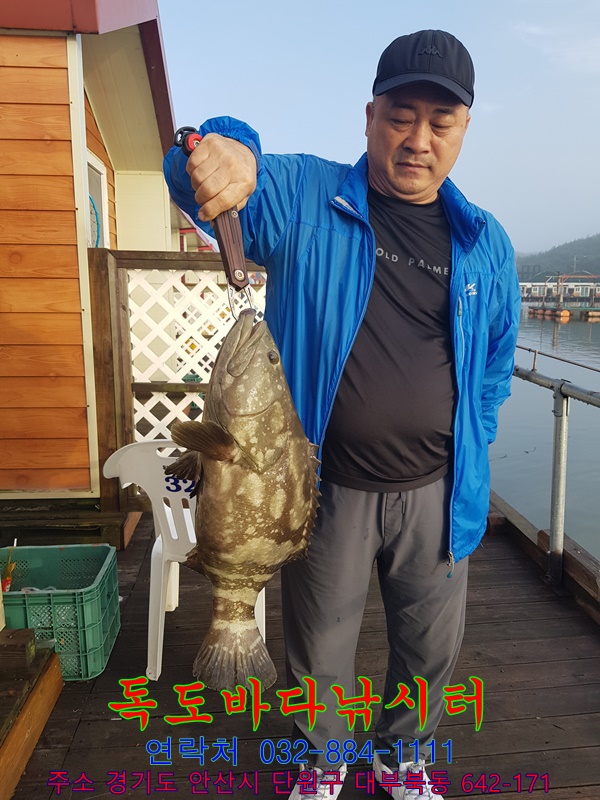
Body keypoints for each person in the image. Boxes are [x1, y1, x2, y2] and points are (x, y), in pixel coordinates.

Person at [164, 29, 521, 800]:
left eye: (440, 121)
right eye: (401, 116)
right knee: (320, 648)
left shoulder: (486, 242)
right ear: (370, 116)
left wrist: (475, 440)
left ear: (463, 129)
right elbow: (202, 175)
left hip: (440, 491)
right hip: (325, 489)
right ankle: (323, 760)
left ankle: (401, 760)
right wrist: (226, 146)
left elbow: (495, 365)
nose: (418, 139)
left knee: (427, 651)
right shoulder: (307, 198)